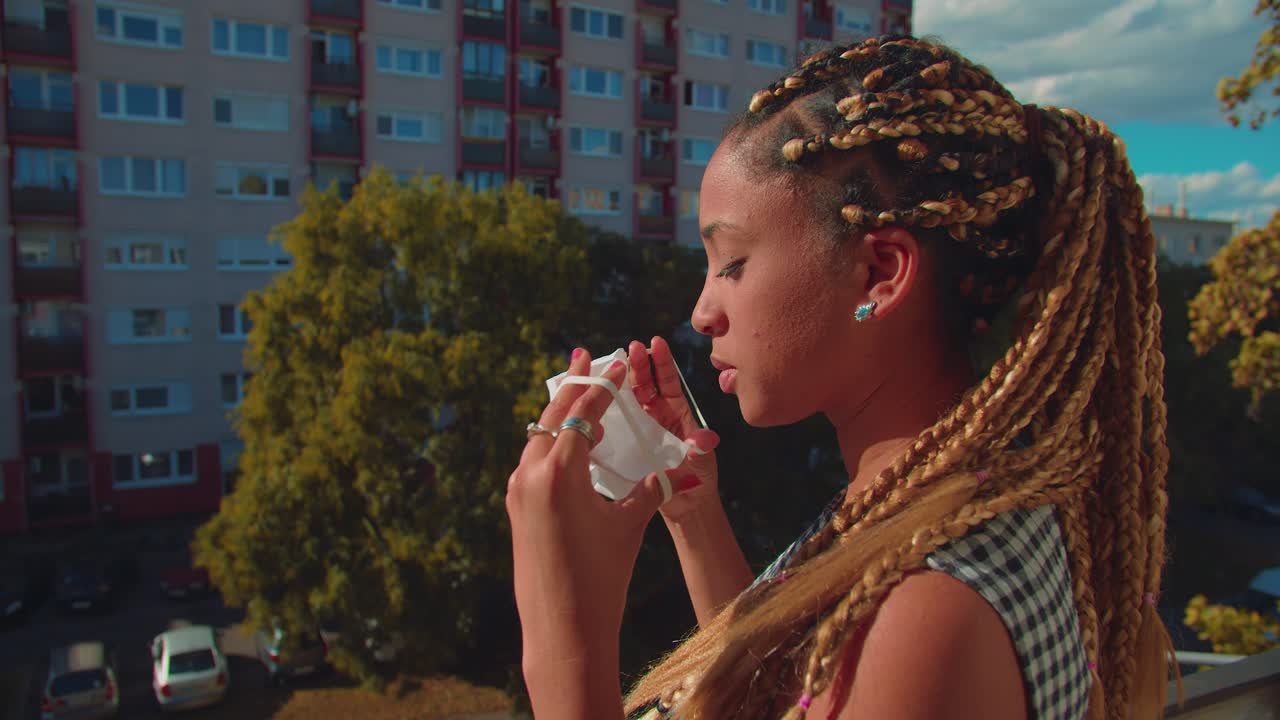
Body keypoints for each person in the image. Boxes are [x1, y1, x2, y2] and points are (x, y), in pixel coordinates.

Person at [507, 34, 1177, 720]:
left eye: (732, 263)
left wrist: (562, 640)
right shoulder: (928, 500)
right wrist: (695, 516)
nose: (703, 313)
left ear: (880, 274)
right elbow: (780, 694)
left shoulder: (925, 618)